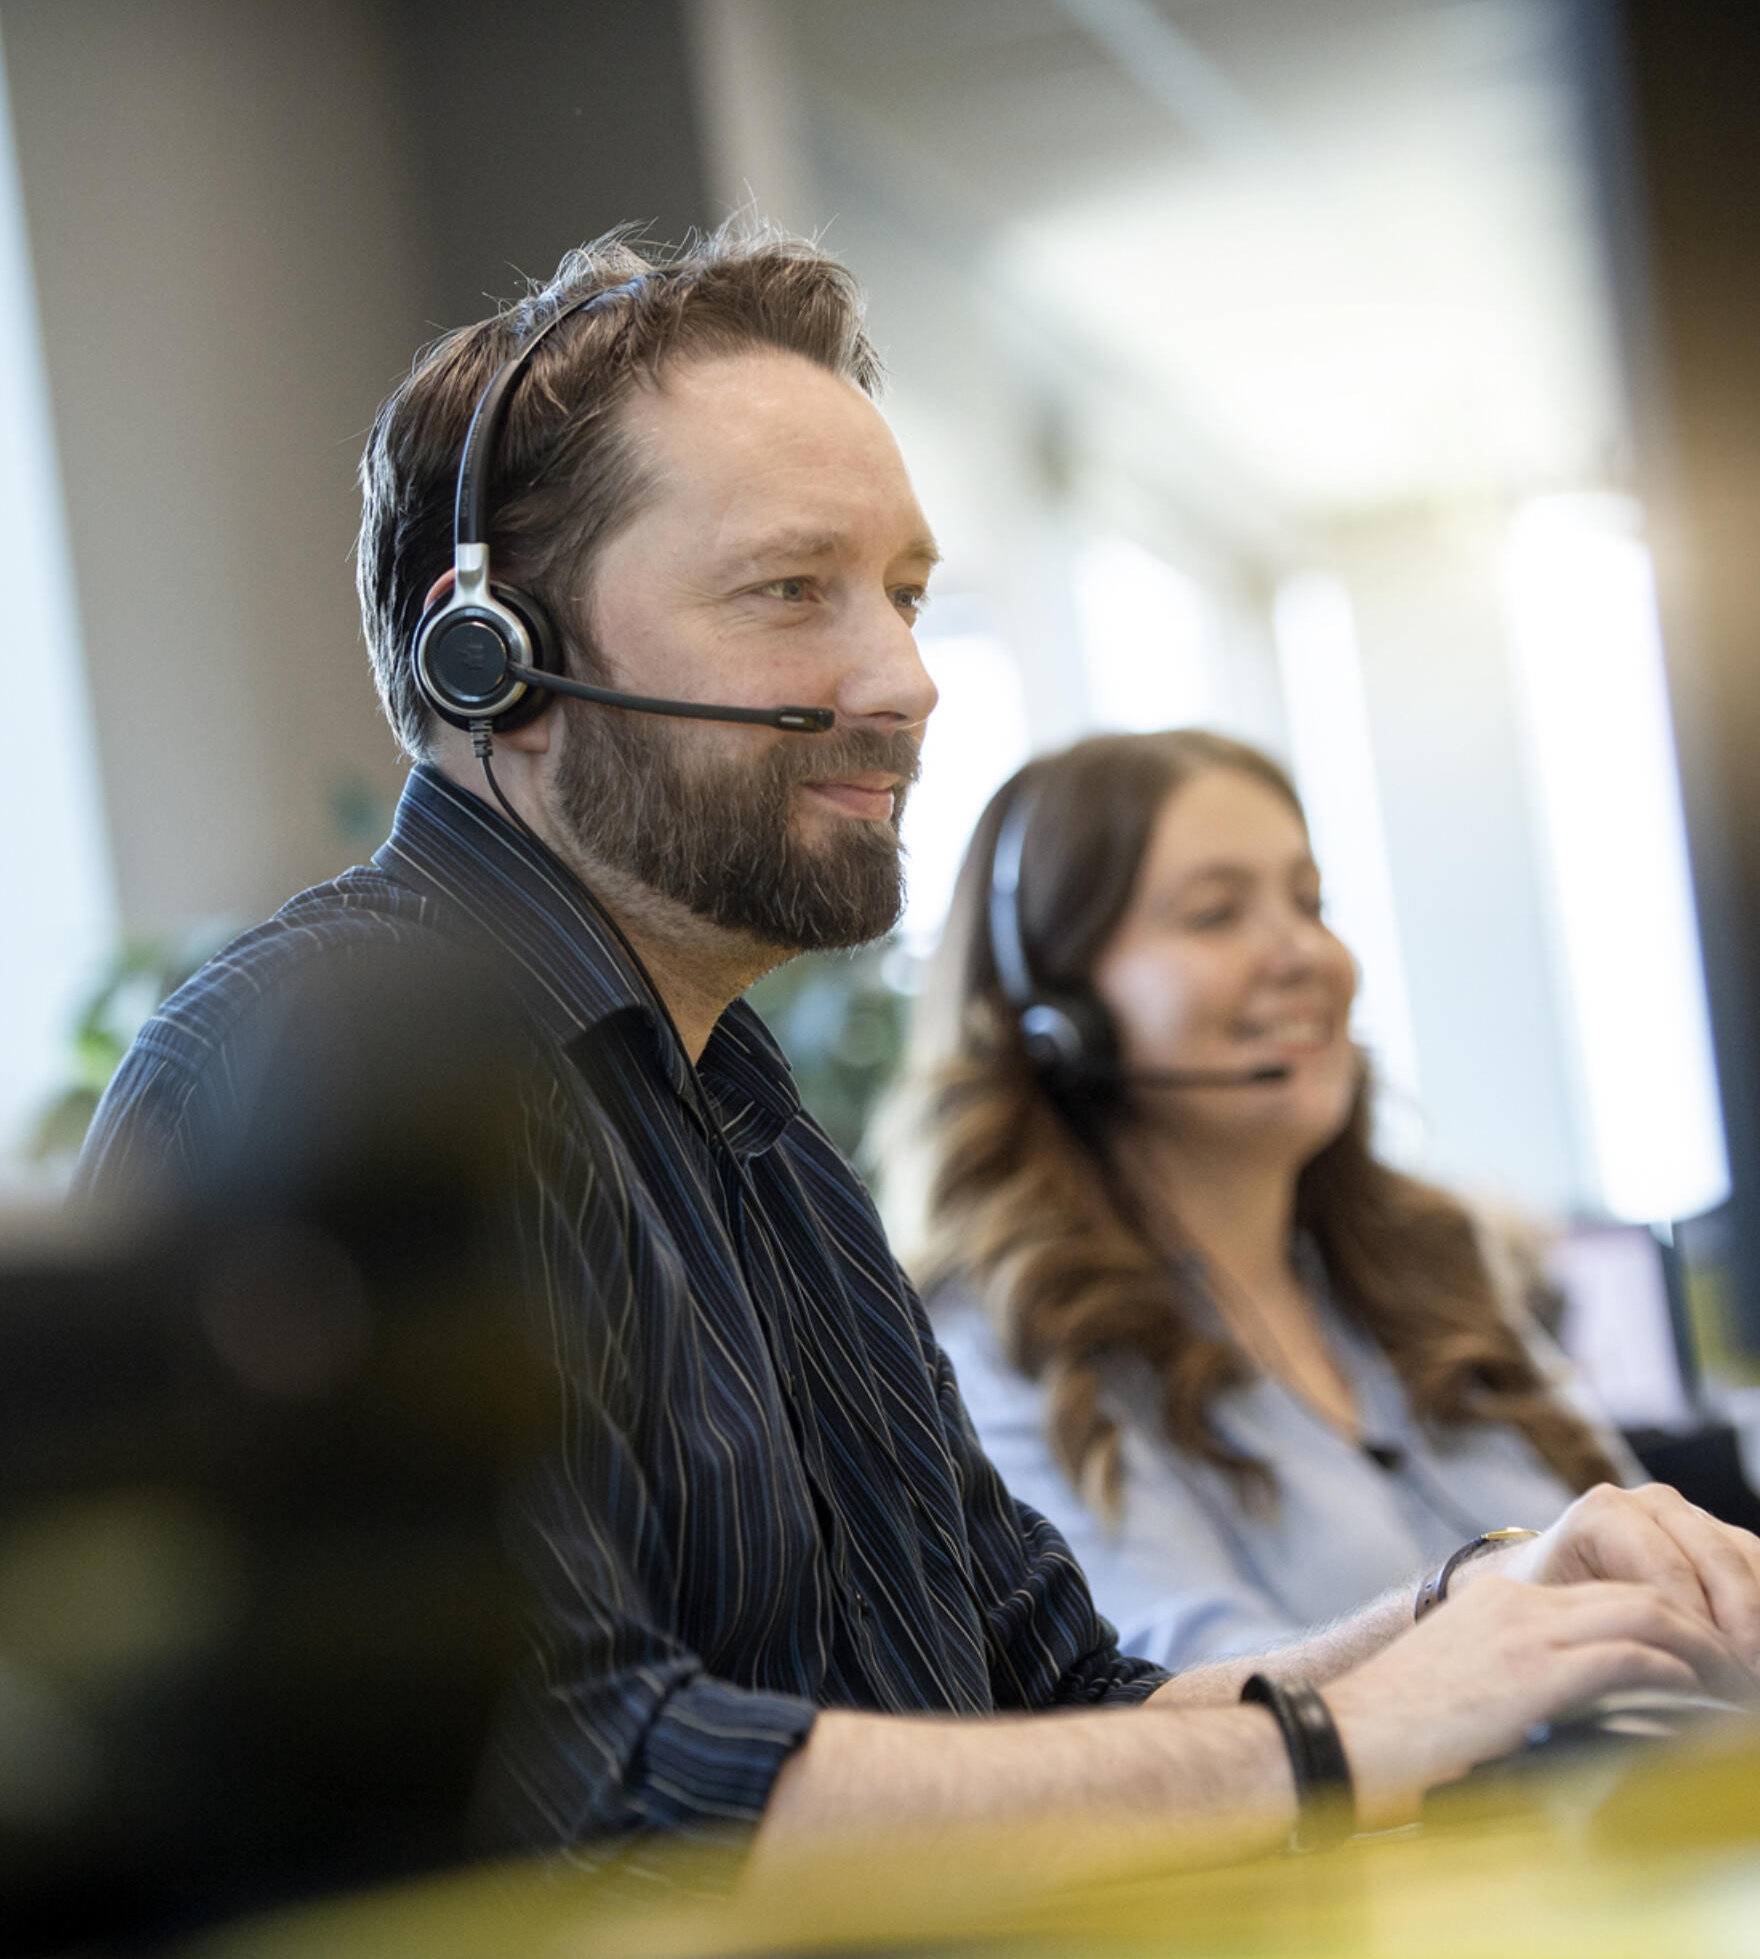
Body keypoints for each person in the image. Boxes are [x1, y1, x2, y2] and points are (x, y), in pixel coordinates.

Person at [76, 226, 1760, 1891]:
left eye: (904, 595)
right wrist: (1330, 1750)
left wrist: (1480, 1621)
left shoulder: (761, 1138)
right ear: (492, 649)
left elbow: (1066, 1707)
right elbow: (577, 1786)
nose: (904, 681)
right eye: (789, 590)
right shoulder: (313, 1073)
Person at [892, 729, 1645, 1673]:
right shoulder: (1010, 1342)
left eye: (1309, 902)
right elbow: (1179, 1697)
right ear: (1057, 1019)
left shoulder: (1428, 1265)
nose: (1308, 955)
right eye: (1215, 915)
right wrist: (1495, 1606)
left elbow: (1647, 1548)